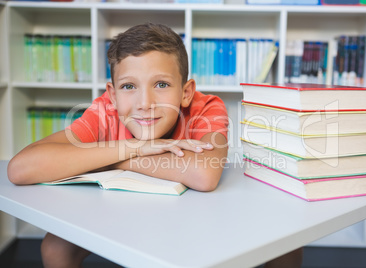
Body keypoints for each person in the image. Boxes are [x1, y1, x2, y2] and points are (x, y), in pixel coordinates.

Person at [7, 23, 301, 268]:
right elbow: (21, 168)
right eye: (129, 86)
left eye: (161, 84)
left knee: (286, 240)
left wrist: (109, 158)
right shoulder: (106, 112)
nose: (144, 104)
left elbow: (204, 174)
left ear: (186, 92)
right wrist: (133, 148)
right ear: (111, 95)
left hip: (196, 219)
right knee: (55, 246)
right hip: (124, 211)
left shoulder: (205, 108)